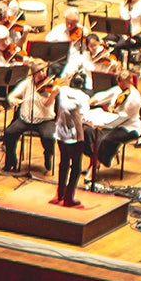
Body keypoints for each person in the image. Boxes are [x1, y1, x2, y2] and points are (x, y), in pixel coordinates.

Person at [52, 75, 93, 208]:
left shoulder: (63, 90)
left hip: (60, 132)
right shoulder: (83, 97)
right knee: (76, 167)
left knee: (64, 163)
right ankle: (69, 198)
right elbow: (86, 117)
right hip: (75, 135)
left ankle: (60, 194)